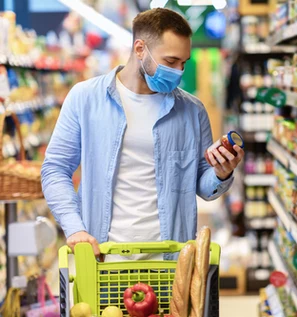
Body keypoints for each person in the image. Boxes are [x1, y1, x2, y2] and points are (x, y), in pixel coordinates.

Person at [41, 8, 244, 260]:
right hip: (103, 257)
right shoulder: (85, 98)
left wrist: (221, 173)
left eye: (183, 63)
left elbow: (203, 186)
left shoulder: (192, 111)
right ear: (140, 49)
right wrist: (75, 228)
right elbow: (55, 169)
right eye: (170, 62)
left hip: (170, 261)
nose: (179, 72)